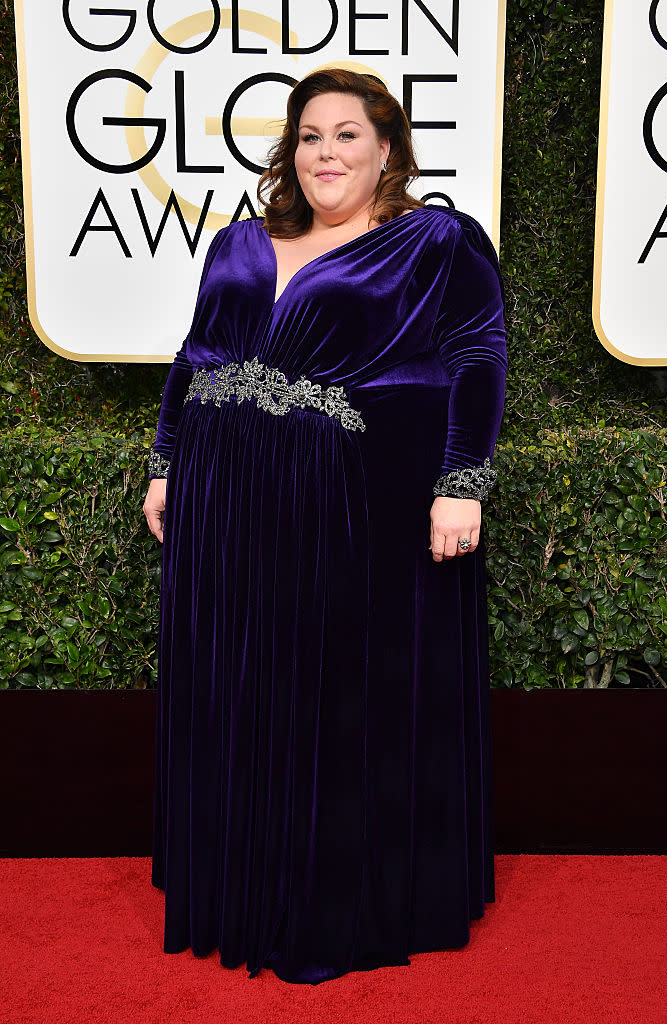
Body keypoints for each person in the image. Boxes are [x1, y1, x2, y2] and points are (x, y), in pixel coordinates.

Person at [143, 68, 507, 986]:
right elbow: (196, 355)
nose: (326, 154)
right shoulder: (237, 241)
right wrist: (164, 462)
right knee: (234, 679)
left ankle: (328, 899)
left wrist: (461, 479)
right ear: (289, 151)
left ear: (388, 148)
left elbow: (477, 352)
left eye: (348, 135)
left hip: (344, 503)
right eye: (310, 136)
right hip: (224, 499)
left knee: (329, 690)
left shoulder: (433, 241)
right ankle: (239, 883)